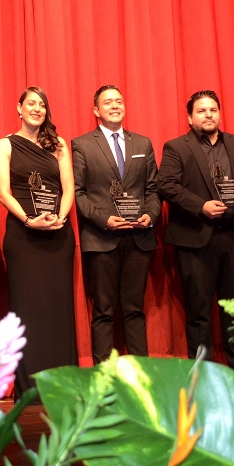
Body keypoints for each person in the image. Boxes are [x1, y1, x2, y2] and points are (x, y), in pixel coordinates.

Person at [158, 90, 234, 370]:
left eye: (213, 110)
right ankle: (203, 370)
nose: (208, 115)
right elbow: (166, 185)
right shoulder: (176, 147)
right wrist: (201, 206)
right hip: (196, 239)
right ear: (190, 117)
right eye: (202, 111)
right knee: (199, 310)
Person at [0, 87, 77, 397]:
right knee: (28, 311)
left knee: (58, 310)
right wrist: (29, 220)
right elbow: (3, 192)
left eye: (42, 104)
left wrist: (59, 218)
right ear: (19, 108)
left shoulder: (59, 146)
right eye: (31, 103)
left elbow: (68, 188)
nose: (37, 109)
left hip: (57, 235)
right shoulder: (5, 145)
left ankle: (63, 385)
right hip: (24, 236)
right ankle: (30, 387)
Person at [71, 85, 160, 363]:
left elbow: (153, 189)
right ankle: (104, 378)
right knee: (104, 311)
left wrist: (150, 215)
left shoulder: (142, 143)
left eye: (119, 101)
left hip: (139, 237)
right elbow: (78, 193)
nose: (114, 105)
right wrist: (103, 219)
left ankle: (142, 376)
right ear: (96, 110)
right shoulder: (82, 144)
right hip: (101, 239)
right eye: (107, 102)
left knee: (134, 309)